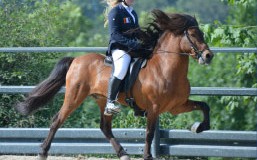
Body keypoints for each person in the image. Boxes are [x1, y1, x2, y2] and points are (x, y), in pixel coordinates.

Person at [104, 0, 142, 116]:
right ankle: (110, 102)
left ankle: (138, 101)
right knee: (121, 69)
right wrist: (132, 44)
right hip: (119, 48)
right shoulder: (115, 12)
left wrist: (150, 39)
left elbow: (137, 32)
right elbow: (115, 35)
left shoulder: (132, 12)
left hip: (132, 48)